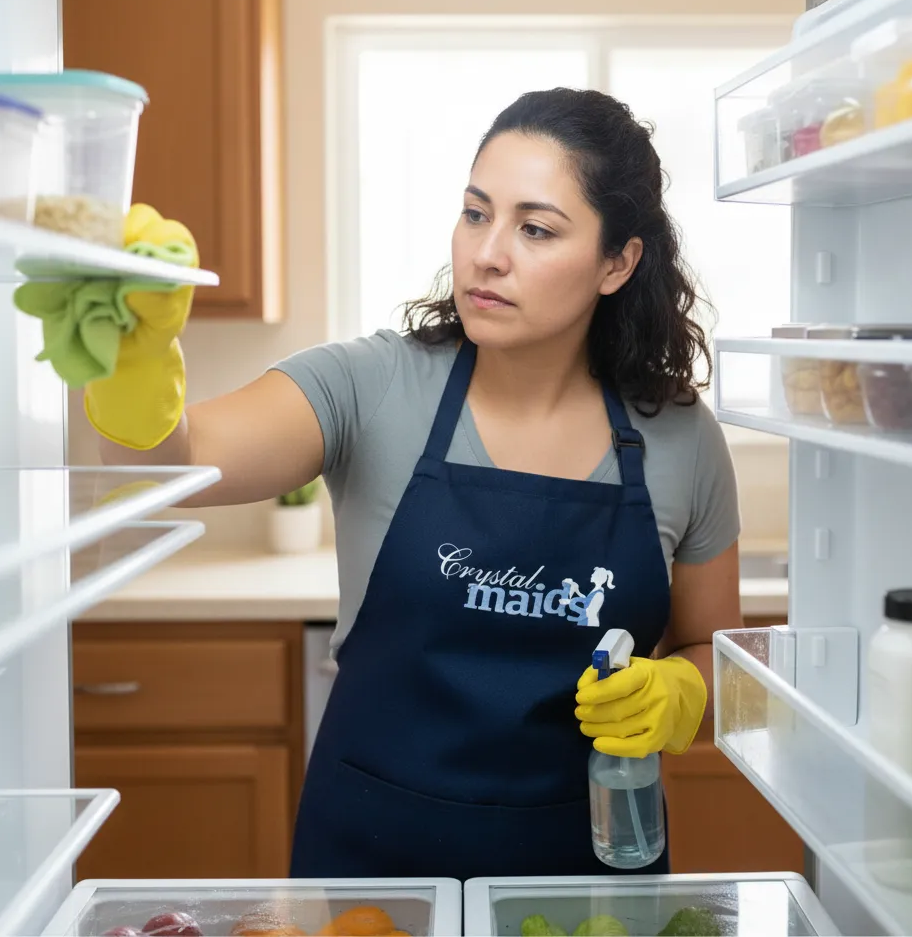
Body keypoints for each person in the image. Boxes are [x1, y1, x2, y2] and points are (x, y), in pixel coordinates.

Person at [87, 87, 743, 881]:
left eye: (535, 228)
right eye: (476, 213)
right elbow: (173, 466)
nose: (487, 253)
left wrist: (683, 689)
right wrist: (133, 362)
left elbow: (714, 649)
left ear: (618, 262)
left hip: (584, 882)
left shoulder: (678, 436)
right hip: (376, 873)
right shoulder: (371, 387)